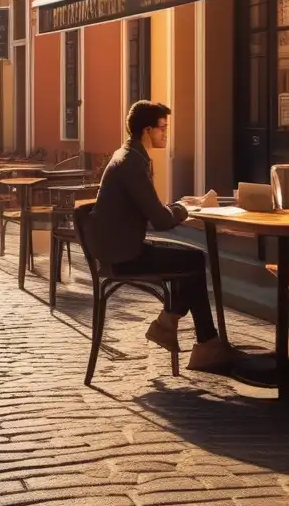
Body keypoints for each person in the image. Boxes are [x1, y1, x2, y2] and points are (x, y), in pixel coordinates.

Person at [85, 100, 235, 372]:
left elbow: (154, 210)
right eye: (162, 128)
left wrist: (180, 207)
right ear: (147, 130)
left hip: (120, 247)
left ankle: (177, 328)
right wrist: (185, 208)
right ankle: (199, 341)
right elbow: (161, 220)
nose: (165, 134)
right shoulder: (132, 163)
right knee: (193, 261)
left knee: (188, 260)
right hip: (123, 256)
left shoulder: (130, 155)